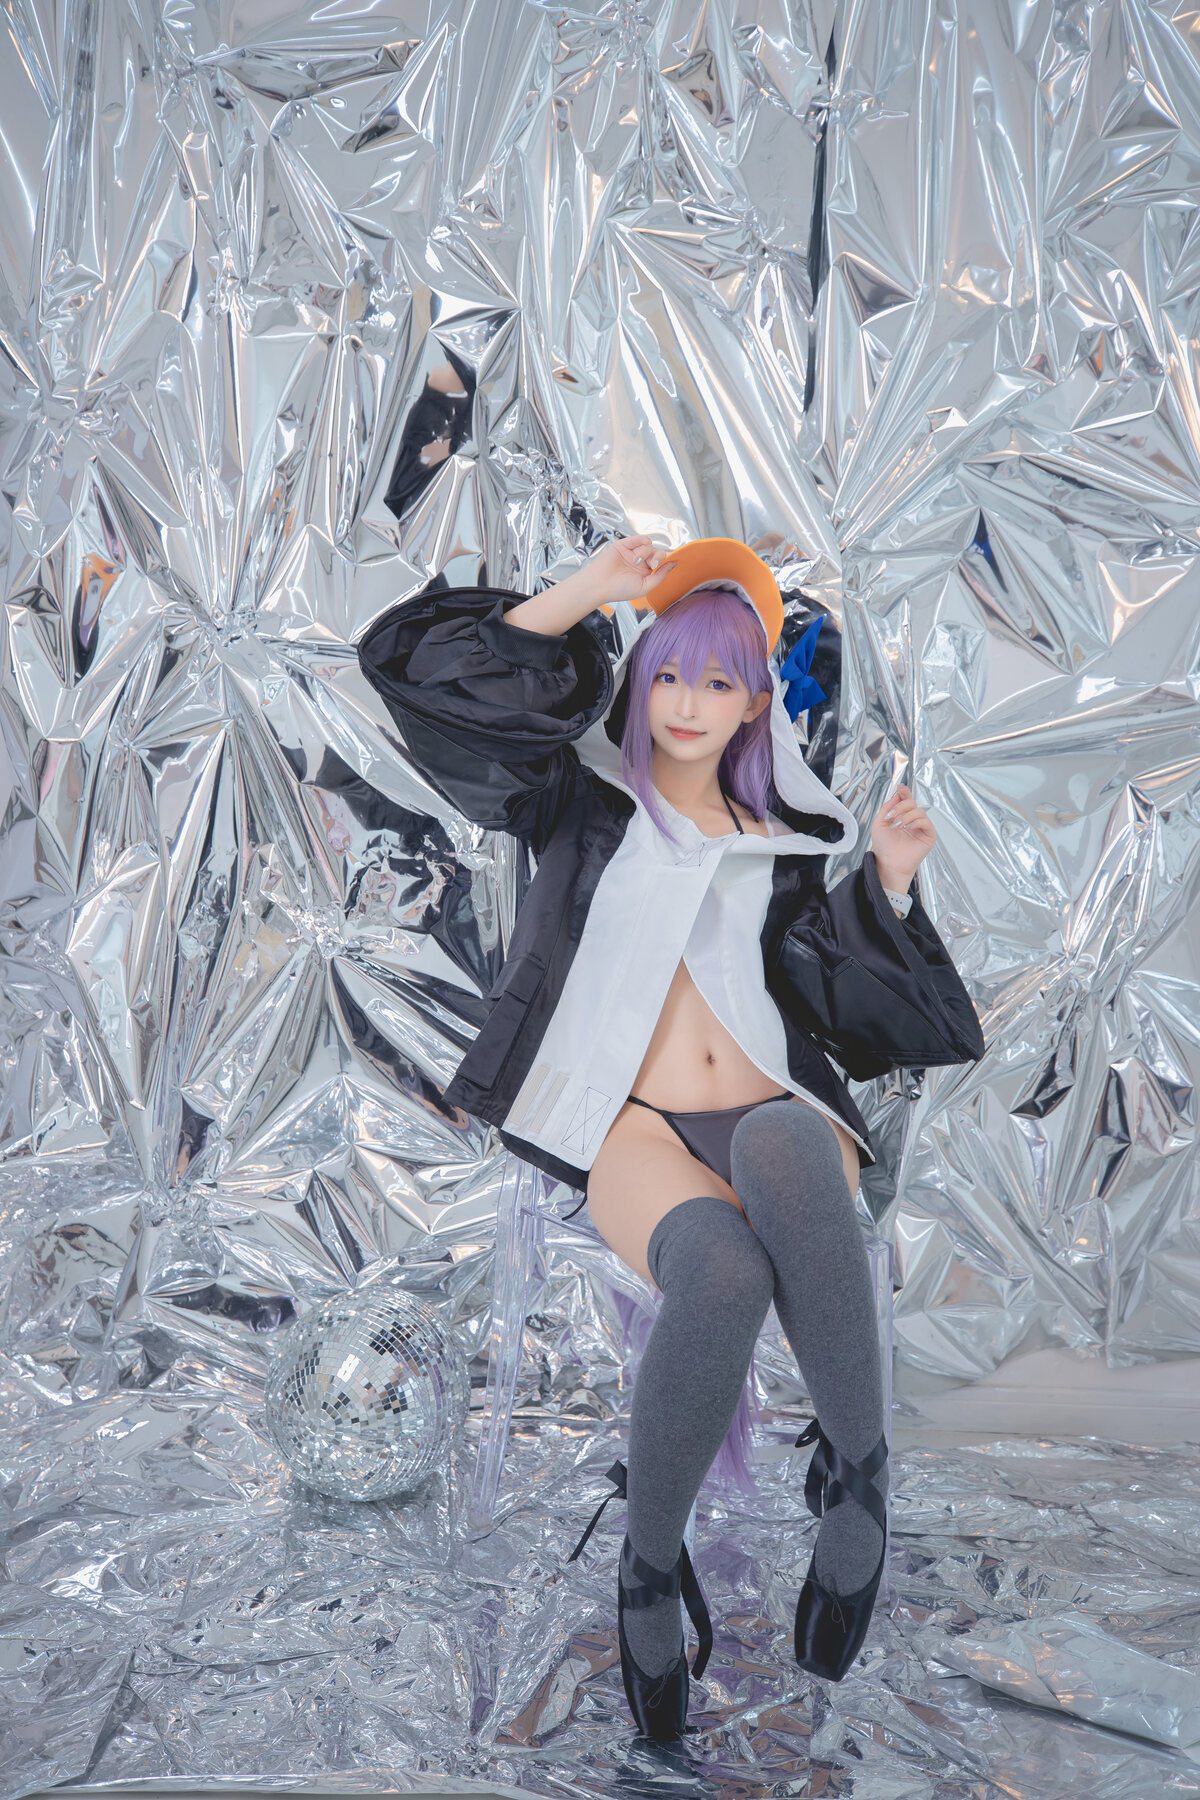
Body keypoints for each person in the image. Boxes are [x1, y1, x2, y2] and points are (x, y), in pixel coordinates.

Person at [357, 534, 986, 1742]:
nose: (688, 703)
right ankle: (648, 1567)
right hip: (635, 1121)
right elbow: (445, 681)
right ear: (639, 684)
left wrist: (892, 883)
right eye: (667, 676)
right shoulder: (578, 799)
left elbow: (830, 998)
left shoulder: (786, 832)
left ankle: (859, 1483)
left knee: (789, 1148)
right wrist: (592, 592)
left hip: (772, 1100)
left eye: (717, 681)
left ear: (755, 701)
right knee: (722, 1272)